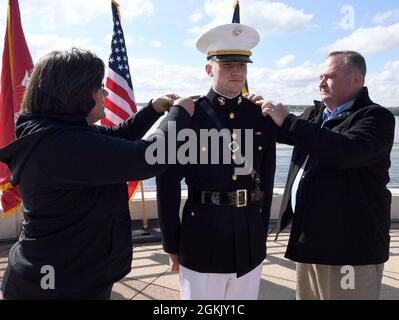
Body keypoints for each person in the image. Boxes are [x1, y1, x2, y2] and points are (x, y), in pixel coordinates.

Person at [0, 48, 195, 300]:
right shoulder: (60, 146)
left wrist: (153, 109)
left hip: (67, 274)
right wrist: (179, 114)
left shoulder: (53, 132)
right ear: (76, 91)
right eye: (99, 87)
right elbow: (149, 158)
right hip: (56, 286)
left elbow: (120, 136)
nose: (105, 93)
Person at [251, 51, 395, 299]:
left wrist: (288, 120)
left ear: (356, 80)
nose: (321, 83)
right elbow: (279, 130)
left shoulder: (376, 117)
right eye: (320, 77)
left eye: (329, 77)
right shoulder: (315, 116)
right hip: (311, 242)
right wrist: (251, 109)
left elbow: (343, 151)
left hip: (351, 251)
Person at [156, 23, 276, 300]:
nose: (237, 71)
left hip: (248, 235)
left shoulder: (259, 115)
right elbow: (168, 184)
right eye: (228, 64)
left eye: (243, 65)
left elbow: (267, 176)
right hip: (202, 236)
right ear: (209, 69)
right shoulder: (189, 115)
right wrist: (170, 243)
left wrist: (261, 228)